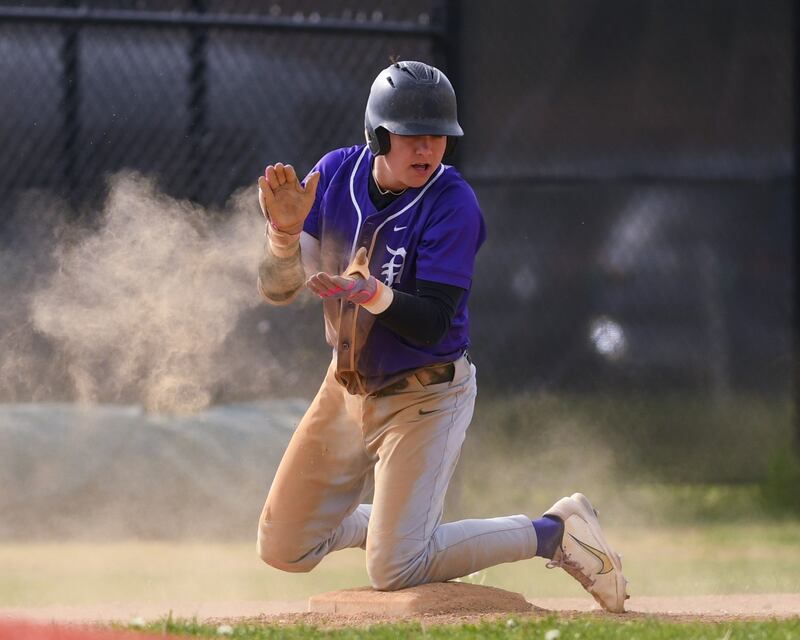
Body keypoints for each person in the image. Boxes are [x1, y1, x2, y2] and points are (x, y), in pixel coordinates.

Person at [255, 60, 629, 613]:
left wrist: (370, 294)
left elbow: (431, 320)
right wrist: (284, 237)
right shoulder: (334, 175)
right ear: (378, 135)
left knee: (394, 567)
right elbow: (279, 292)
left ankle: (553, 531)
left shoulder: (452, 202)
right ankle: (399, 528)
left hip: (425, 395)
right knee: (283, 547)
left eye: (438, 137)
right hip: (347, 387)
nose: (428, 149)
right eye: (412, 136)